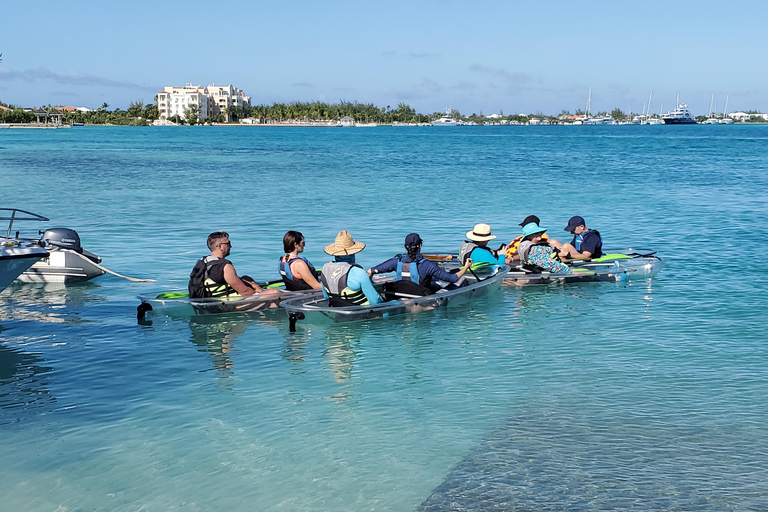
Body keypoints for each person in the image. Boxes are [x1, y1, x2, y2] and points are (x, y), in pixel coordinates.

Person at [367, 233, 473, 296]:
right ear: (420, 245)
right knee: (460, 279)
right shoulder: (427, 265)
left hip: (402, 292)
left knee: (434, 282)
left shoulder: (396, 261)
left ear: (405, 246)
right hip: (420, 296)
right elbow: (452, 278)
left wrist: (371, 281)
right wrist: (466, 268)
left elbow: (370, 271)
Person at [189, 231, 281, 298]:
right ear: (220, 246)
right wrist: (258, 292)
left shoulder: (203, 261)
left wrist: (253, 285)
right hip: (230, 304)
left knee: (247, 278)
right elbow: (245, 292)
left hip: (212, 297)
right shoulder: (225, 266)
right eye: (228, 244)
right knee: (275, 293)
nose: (230, 246)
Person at [321, 230, 382, 306]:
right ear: (353, 252)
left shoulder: (325, 269)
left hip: (337, 310)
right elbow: (375, 301)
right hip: (362, 313)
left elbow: (326, 296)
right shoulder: (358, 272)